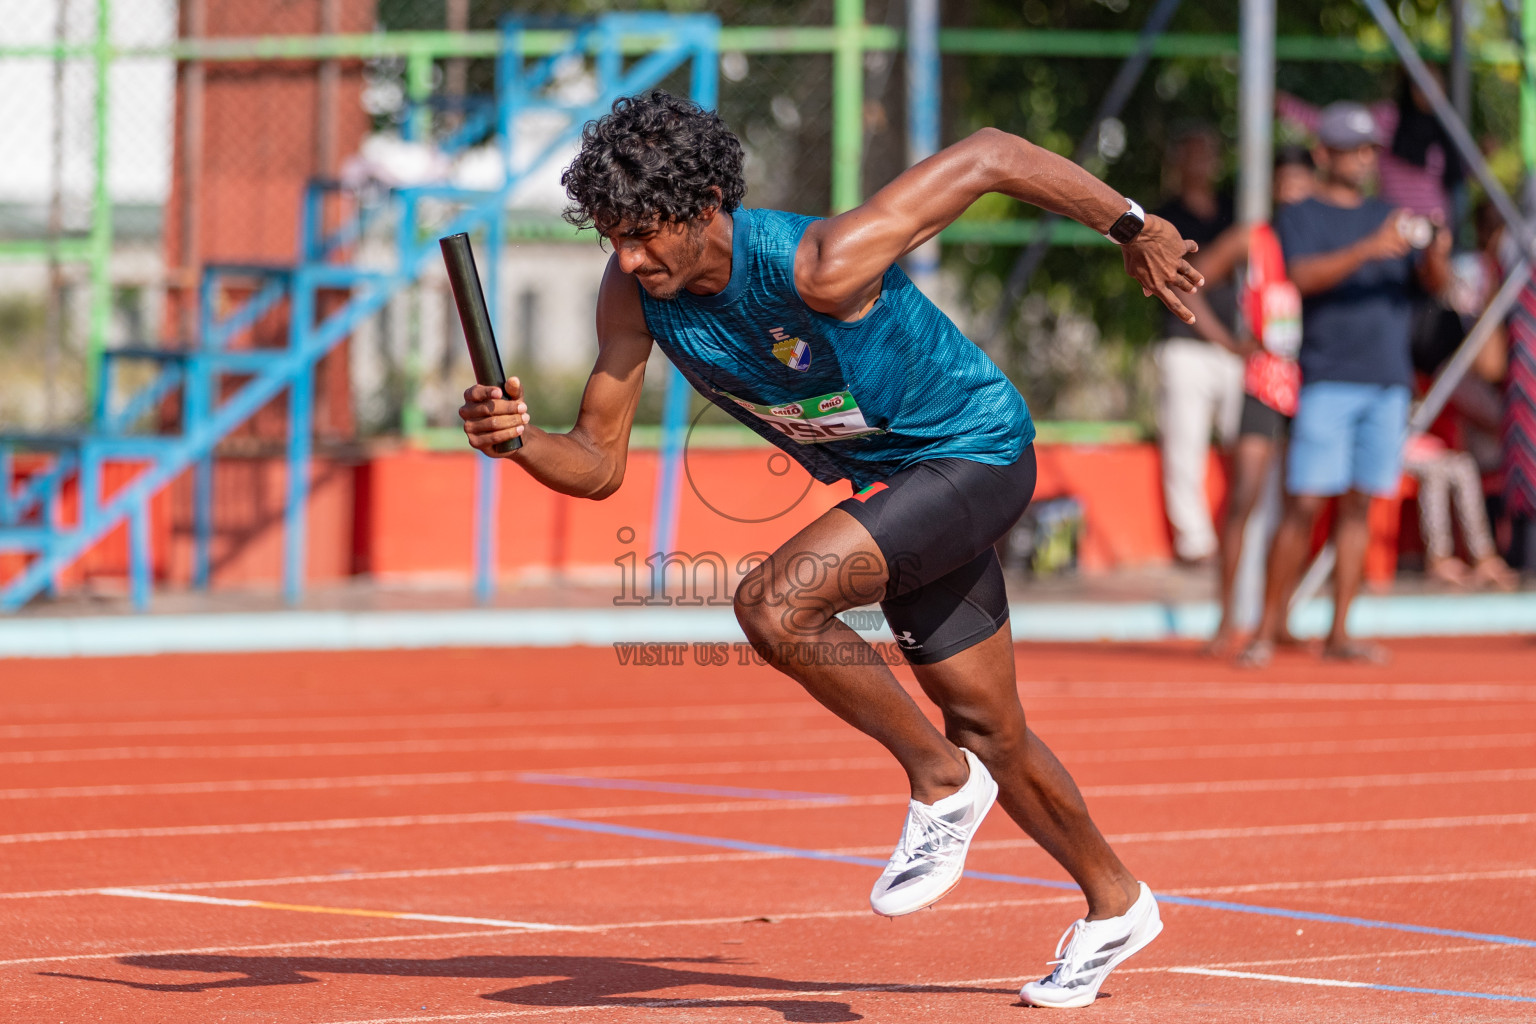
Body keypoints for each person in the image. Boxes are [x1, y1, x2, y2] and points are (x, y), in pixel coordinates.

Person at [458, 91, 1203, 1008]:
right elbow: (600, 464)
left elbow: (992, 152)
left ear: (704, 210)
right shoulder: (636, 297)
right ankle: (1117, 902)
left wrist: (1131, 224)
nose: (628, 258)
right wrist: (518, 440)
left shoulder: (819, 263)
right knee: (990, 728)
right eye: (613, 236)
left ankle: (938, 781)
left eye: (646, 235)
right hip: (893, 490)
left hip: (974, 452)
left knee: (775, 603)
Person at [1240, 102, 1451, 667]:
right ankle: (1266, 629)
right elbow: (1299, 277)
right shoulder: (1301, 214)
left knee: (1359, 508)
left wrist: (1434, 254)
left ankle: (1338, 634)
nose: (1361, 158)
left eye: (1367, 150)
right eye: (1350, 149)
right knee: (1305, 503)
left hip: (1388, 380)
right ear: (1324, 154)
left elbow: (1437, 288)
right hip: (1327, 377)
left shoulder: (1392, 214)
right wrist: (1368, 249)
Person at [1184, 146, 1316, 655]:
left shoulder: (1326, 236)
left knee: (1301, 504)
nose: (1293, 194)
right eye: (1285, 184)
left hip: (1315, 378)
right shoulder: (1253, 239)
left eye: (1301, 184)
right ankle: (1225, 621)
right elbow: (1191, 282)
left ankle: (1277, 619)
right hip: (1263, 378)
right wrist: (1227, 341)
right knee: (1244, 496)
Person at [1152, 124, 1243, 565]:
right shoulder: (1163, 217)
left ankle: (1246, 537)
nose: (1204, 161)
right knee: (1185, 448)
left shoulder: (1234, 209)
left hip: (1236, 347)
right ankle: (1195, 545)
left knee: (1247, 443)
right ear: (1178, 163)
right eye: (1195, 152)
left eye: (1210, 152)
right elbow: (1186, 284)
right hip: (1186, 345)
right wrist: (1227, 341)